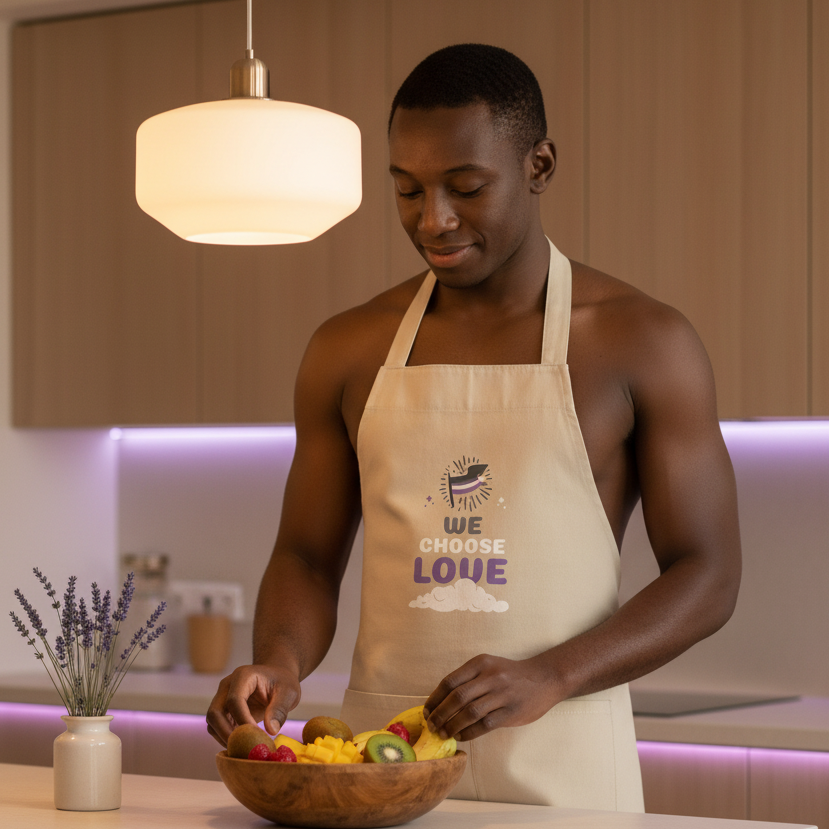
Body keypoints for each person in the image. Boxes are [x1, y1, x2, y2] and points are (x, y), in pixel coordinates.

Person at [207, 43, 741, 811]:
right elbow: (306, 557)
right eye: (406, 189)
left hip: (565, 768)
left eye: (465, 188)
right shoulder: (346, 348)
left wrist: (551, 673)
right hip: (382, 769)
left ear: (539, 165)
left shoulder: (643, 341)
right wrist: (279, 662)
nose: (433, 219)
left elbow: (707, 572)